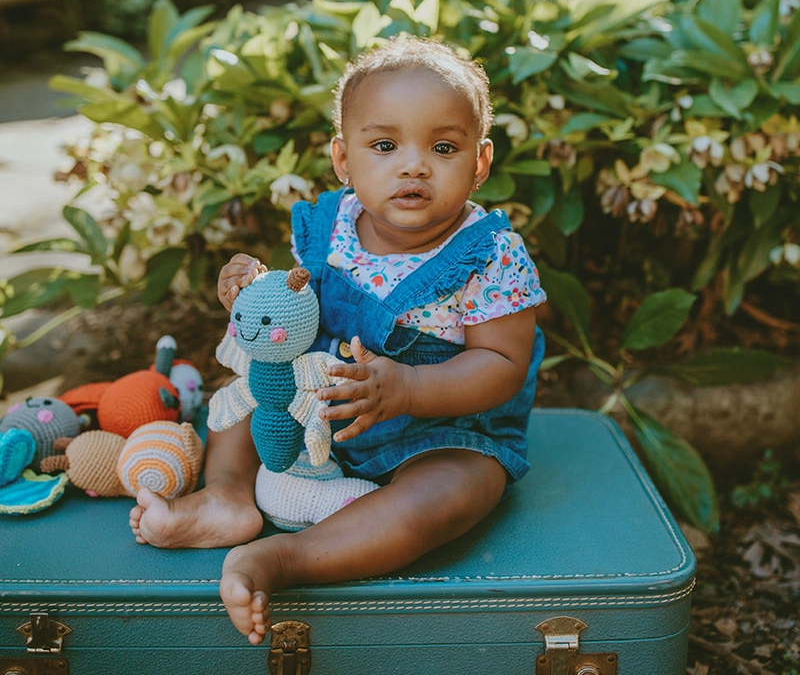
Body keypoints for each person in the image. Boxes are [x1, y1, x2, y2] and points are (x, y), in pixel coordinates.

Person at [129, 35, 547, 645]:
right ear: (344, 160)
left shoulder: (490, 254)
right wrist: (254, 294)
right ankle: (225, 497)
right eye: (384, 145)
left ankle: (285, 560)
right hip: (312, 408)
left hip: (442, 433)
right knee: (253, 381)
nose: (413, 165)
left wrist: (406, 387)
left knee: (458, 491)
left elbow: (503, 364)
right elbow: (292, 312)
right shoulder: (329, 229)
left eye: (444, 147)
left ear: (479, 163)